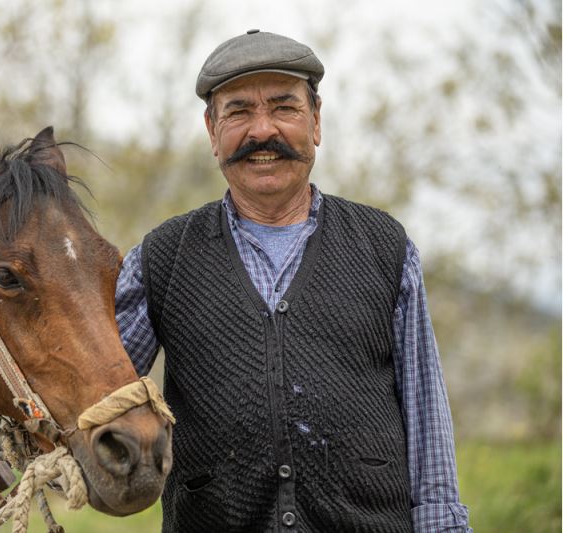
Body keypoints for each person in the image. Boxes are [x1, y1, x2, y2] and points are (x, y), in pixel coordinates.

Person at [115, 30, 471, 532]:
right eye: (238, 111)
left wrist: (441, 522)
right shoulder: (162, 259)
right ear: (211, 130)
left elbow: (425, 408)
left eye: (284, 107)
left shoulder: (385, 247)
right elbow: (95, 388)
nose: (262, 131)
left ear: (317, 121)